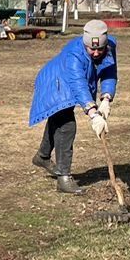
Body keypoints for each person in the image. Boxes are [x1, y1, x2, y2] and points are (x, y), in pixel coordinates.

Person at [27, 19, 118, 195]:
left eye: (100, 49)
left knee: (58, 120)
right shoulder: (74, 55)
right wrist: (93, 114)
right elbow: (79, 85)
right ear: (85, 44)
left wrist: (106, 98)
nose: (97, 53)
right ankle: (64, 178)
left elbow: (109, 72)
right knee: (66, 126)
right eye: (92, 49)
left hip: (67, 81)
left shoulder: (110, 47)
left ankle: (42, 157)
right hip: (56, 82)